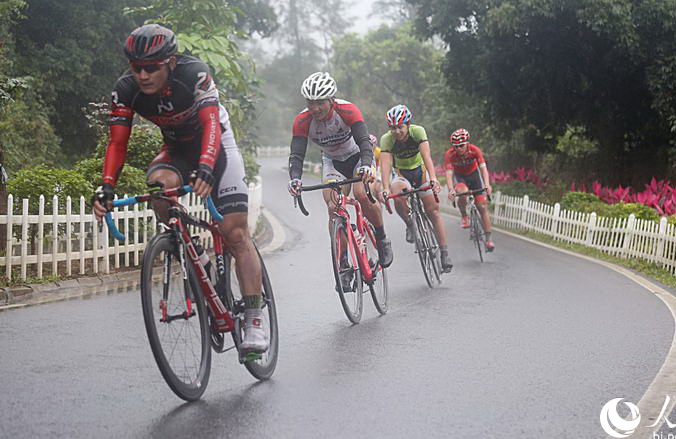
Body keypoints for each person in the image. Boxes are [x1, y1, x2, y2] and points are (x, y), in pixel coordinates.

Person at [91, 23, 269, 353]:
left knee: (235, 233)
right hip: (177, 149)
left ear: (171, 63)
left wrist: (206, 166)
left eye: (151, 68)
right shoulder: (126, 89)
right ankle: (196, 253)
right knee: (159, 188)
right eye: (136, 67)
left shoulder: (194, 74)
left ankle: (255, 317)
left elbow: (211, 125)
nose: (142, 75)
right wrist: (106, 187)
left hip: (217, 145)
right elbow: (117, 143)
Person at [287, 72, 393, 271]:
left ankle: (381, 238)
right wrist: (295, 179)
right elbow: (297, 155)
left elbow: (364, 142)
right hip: (332, 161)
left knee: (361, 193)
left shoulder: (347, 110)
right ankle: (343, 262)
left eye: (320, 103)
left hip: (357, 156)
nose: (315, 108)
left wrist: (366, 165)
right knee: (333, 207)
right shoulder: (302, 121)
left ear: (331, 100)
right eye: (310, 102)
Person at [379, 105, 453, 272]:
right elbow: (385, 164)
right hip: (402, 174)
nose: (396, 131)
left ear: (408, 124)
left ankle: (444, 252)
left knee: (433, 212)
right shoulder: (386, 140)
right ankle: (410, 224)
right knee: (396, 192)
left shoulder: (418, 132)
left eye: (400, 127)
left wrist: (433, 178)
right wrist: (384, 188)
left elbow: (426, 156)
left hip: (421, 172)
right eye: (392, 128)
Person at [444, 128, 495, 251]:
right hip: (460, 177)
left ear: (467, 143)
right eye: (455, 146)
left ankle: (488, 239)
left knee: (482, 207)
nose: (458, 149)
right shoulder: (450, 154)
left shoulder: (475, 150)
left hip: (474, 176)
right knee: (462, 192)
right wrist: (451, 189)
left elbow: (483, 169)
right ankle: (464, 216)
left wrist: (487, 184)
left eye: (461, 146)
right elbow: (449, 174)